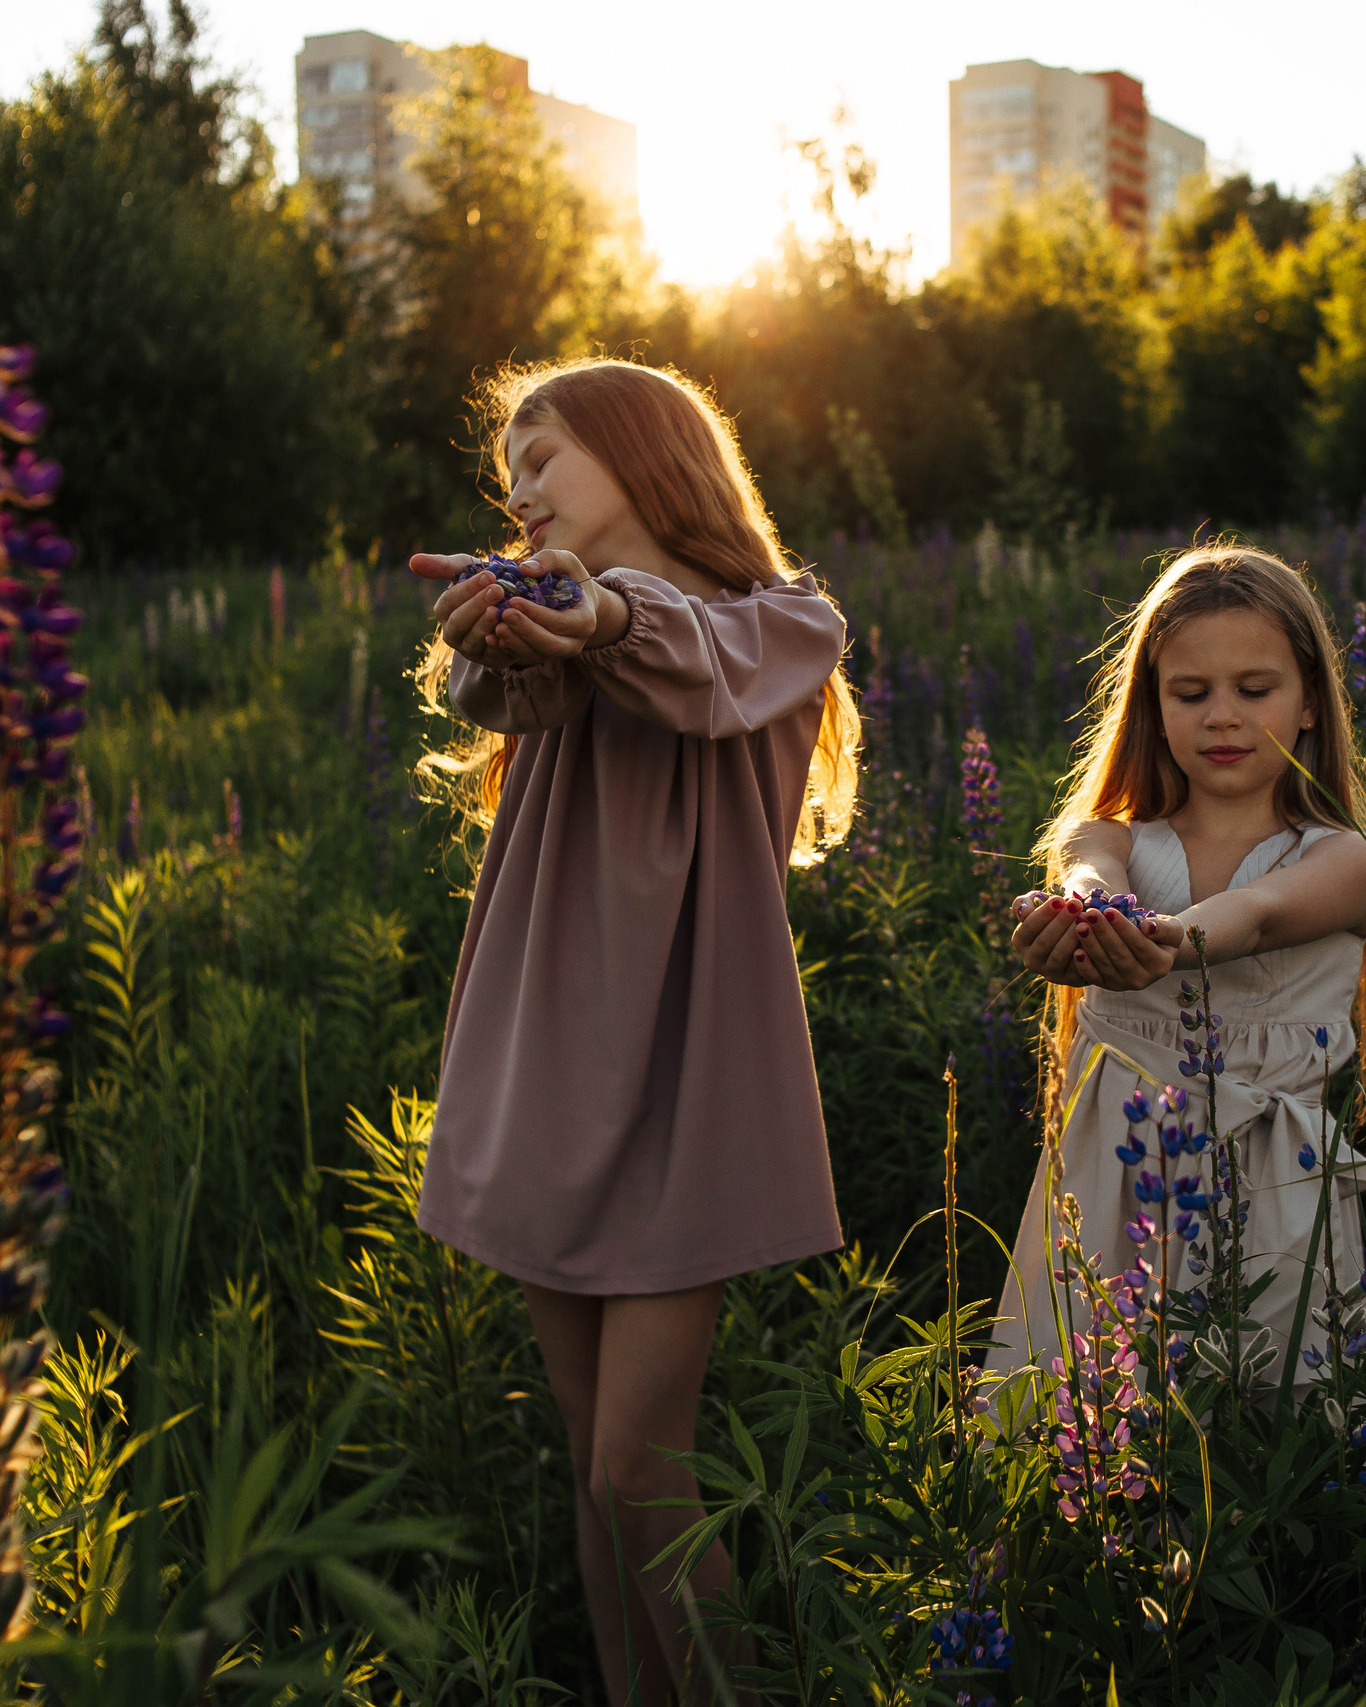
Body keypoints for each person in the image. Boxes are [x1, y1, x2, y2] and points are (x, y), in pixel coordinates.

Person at [409, 357, 860, 1706]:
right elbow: (500, 688)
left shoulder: (778, 628)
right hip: (547, 1076)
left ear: (651, 454)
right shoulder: (555, 650)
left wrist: (593, 609)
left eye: (543, 456)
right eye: (508, 477)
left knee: (638, 1464)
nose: (520, 491)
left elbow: (678, 647)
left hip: (686, 1089)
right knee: (594, 1475)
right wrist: (495, 626)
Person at [985, 543, 1366, 1396]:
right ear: (1153, 705)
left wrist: (1168, 938)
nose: (1222, 716)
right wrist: (1082, 913)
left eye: (1255, 688)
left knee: (1269, 1431)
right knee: (1080, 1424)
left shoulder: (1350, 858)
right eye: (1191, 692)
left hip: (1277, 1189)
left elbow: (1265, 911)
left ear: (1311, 699)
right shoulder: (1115, 837)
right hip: (1110, 1184)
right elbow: (1086, 869)